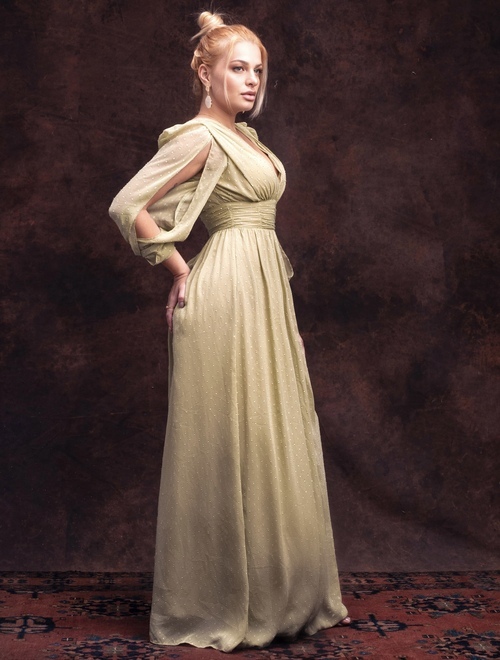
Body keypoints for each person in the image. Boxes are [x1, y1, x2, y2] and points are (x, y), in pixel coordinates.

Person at [109, 10, 350, 652]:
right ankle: (220, 600)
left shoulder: (247, 138)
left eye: (258, 71)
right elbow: (128, 206)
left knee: (274, 432)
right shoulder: (199, 137)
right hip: (225, 295)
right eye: (238, 68)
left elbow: (263, 233)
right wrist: (179, 270)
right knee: (230, 440)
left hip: (265, 292)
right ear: (205, 72)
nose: (251, 81)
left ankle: (284, 595)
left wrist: (283, 318)